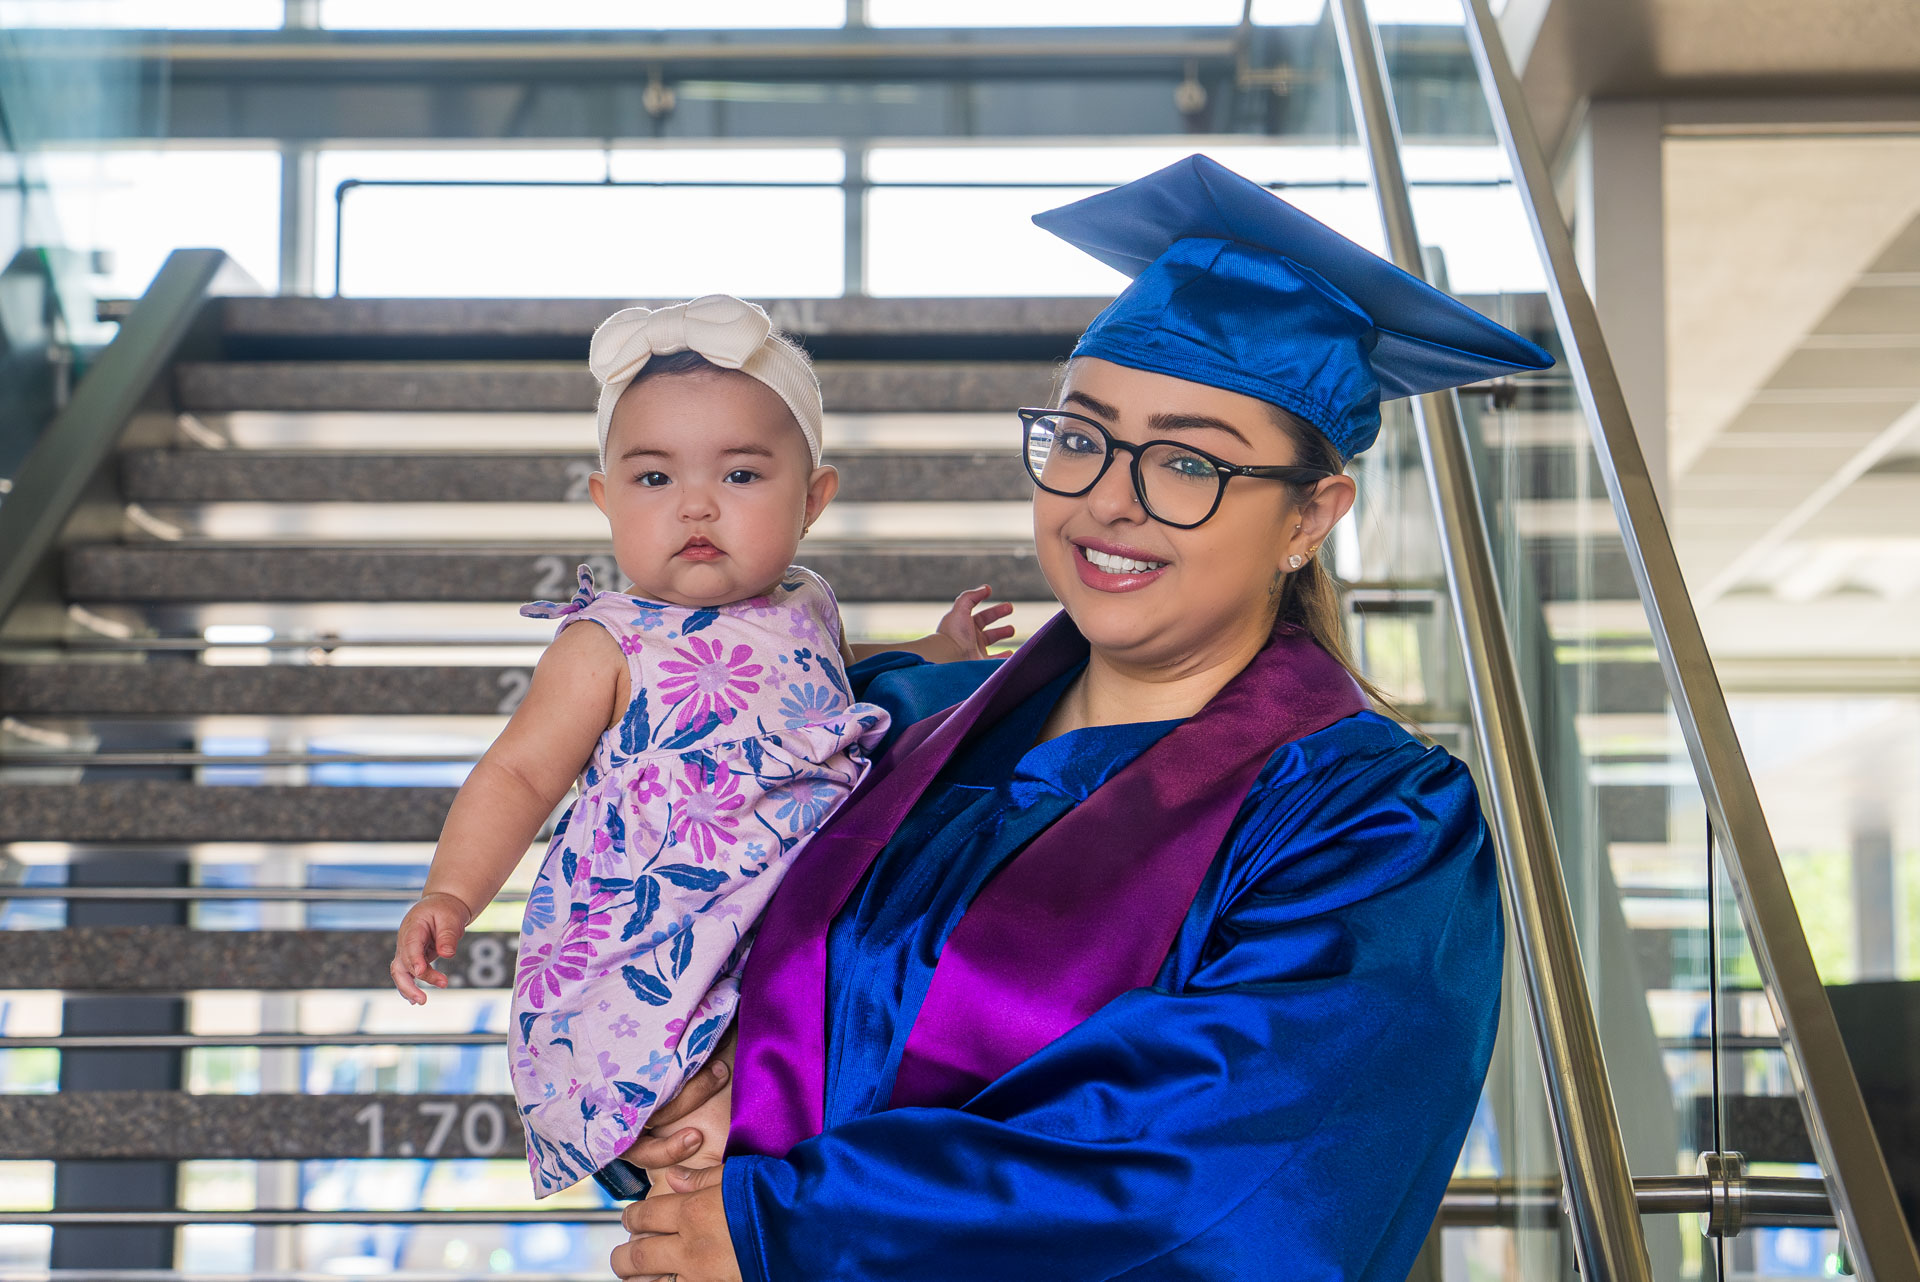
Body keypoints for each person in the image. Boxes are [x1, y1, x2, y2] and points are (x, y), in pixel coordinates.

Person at [608, 154, 1557, 1281]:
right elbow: (654, 920)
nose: (1110, 496)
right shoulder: (893, 726)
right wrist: (683, 1095)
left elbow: (1234, 1186)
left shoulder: (1373, 824)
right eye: (1081, 435)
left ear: (1312, 514)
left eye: (1190, 461)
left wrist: (791, 1224)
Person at [387, 294, 1014, 1200]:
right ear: (604, 502)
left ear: (813, 500)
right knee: (681, 1112)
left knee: (794, 1076)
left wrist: (943, 650)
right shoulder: (607, 643)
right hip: (656, 919)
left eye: (742, 477)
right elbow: (519, 772)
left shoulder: (804, 601)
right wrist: (452, 890)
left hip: (785, 899)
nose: (696, 505)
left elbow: (835, 673)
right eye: (653, 480)